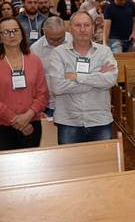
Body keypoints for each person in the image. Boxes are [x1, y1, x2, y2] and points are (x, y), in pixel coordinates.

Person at [47, 11, 118, 144]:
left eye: (87, 25)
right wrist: (96, 76)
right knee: (70, 164)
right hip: (69, 121)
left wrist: (77, 77)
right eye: (78, 25)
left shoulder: (104, 52)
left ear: (93, 28)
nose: (83, 29)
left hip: (99, 120)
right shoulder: (58, 53)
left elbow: (110, 80)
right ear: (70, 29)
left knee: (101, 163)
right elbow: (57, 87)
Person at [0, 16, 49, 150]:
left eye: (15, 30)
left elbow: (43, 94)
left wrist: (27, 116)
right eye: (6, 32)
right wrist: (17, 120)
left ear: (22, 34)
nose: (12, 35)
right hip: (0, 129)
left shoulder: (34, 60)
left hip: (31, 125)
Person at [30, 16, 72, 119]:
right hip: (48, 105)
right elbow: (33, 82)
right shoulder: (35, 49)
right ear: (44, 32)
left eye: (60, 38)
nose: (56, 43)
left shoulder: (75, 41)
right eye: (52, 39)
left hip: (73, 103)